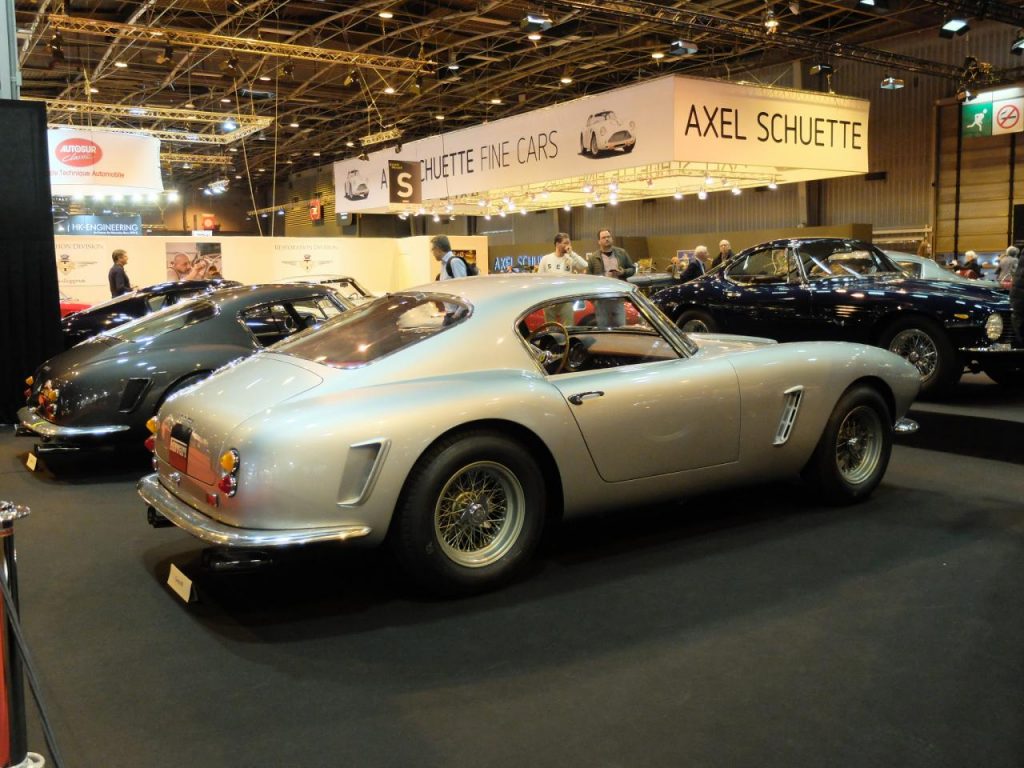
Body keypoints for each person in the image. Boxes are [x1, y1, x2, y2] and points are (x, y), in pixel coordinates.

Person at [586, 228, 635, 327]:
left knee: (621, 328)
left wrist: (623, 272)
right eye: (604, 237)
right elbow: (588, 279)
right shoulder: (593, 258)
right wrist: (593, 300)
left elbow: (632, 269)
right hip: (601, 300)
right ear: (599, 241)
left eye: (609, 237)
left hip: (618, 297)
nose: (607, 239)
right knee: (603, 329)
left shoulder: (622, 253)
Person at [538, 233, 587, 325]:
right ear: (557, 244)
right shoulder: (546, 259)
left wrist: (572, 253)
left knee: (568, 327)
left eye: (569, 243)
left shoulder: (570, 258)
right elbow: (540, 279)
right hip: (549, 300)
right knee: (551, 329)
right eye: (565, 243)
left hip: (565, 299)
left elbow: (584, 265)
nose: (568, 246)